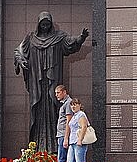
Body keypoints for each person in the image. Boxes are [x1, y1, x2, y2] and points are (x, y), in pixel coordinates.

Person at [14, 11, 89, 153]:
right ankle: (37, 146)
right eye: (43, 24)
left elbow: (70, 43)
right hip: (37, 83)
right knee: (37, 110)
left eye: (47, 24)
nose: (45, 26)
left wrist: (81, 38)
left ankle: (55, 146)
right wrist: (22, 61)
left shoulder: (58, 37)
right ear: (38, 24)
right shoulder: (31, 38)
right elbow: (18, 52)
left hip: (53, 83)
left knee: (55, 109)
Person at [67, 98, 89, 162]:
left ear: (79, 105)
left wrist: (80, 140)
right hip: (72, 142)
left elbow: (84, 127)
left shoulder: (81, 114)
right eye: (72, 105)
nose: (73, 107)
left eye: (75, 105)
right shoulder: (74, 116)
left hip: (78, 142)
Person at [55, 85, 73, 162]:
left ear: (64, 92)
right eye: (56, 93)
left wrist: (66, 138)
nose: (56, 95)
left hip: (64, 135)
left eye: (58, 92)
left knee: (62, 159)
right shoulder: (65, 103)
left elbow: (68, 121)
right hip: (61, 134)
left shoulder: (68, 103)